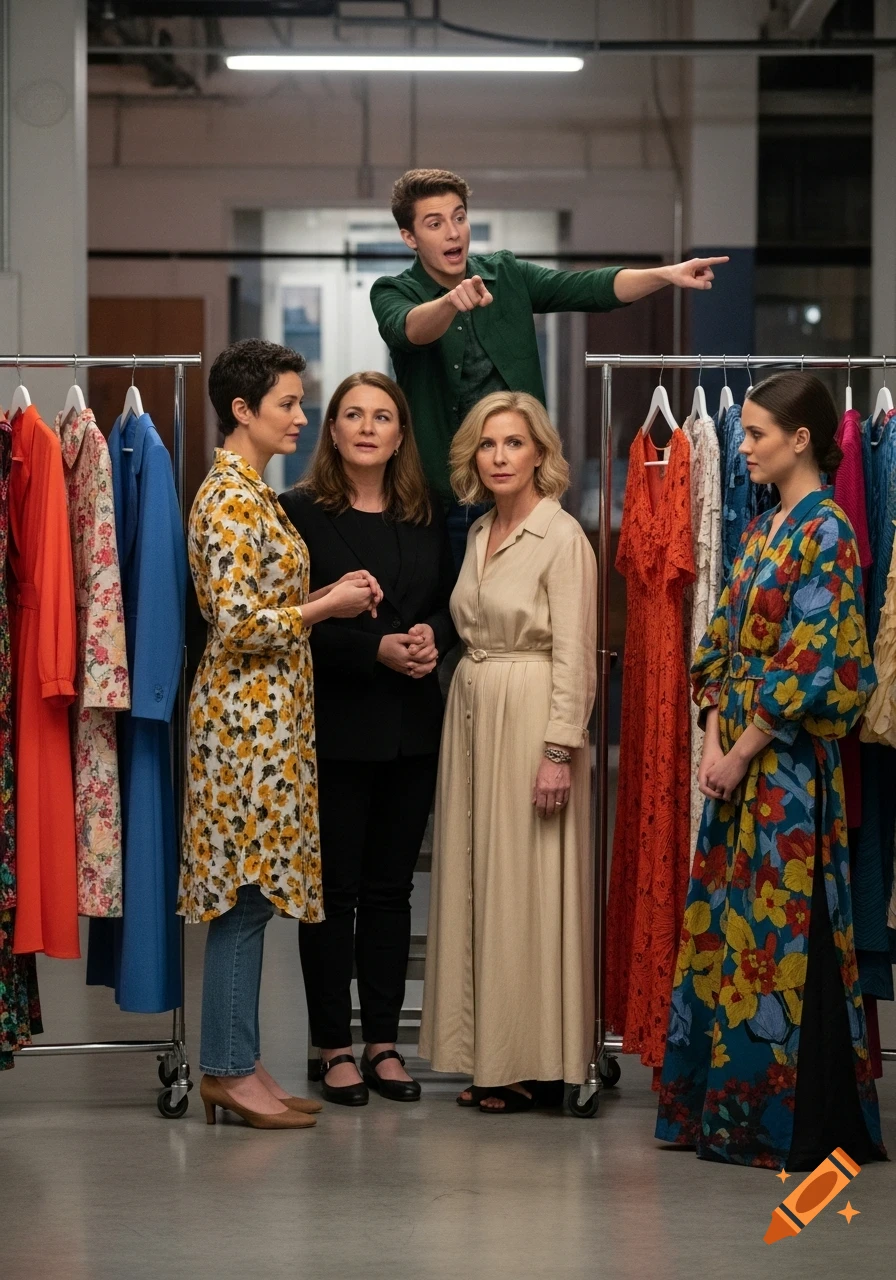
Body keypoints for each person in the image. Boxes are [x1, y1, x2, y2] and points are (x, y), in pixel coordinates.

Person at [655, 371, 887, 1170]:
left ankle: (788, 1118)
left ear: (800, 439)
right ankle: (725, 1110)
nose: (744, 446)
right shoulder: (762, 529)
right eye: (744, 433)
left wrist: (743, 746)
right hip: (739, 760)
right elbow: (717, 643)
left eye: (755, 434)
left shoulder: (829, 530)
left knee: (785, 935)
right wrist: (717, 740)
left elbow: (822, 661)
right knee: (727, 928)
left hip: (786, 770)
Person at [177, 340, 382, 1130]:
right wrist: (322, 609)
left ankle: (244, 1060)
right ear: (242, 411)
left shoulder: (251, 493)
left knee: (255, 896)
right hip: (242, 725)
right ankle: (228, 1070)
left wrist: (323, 593)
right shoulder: (228, 497)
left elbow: (260, 598)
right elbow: (233, 622)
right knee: (246, 897)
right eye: (289, 404)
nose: (303, 417)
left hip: (267, 719)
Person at [370, 166, 727, 563]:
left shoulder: (505, 274)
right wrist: (451, 302)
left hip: (522, 493)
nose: (453, 232)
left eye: (459, 217)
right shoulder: (393, 290)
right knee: (453, 616)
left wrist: (666, 274)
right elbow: (408, 328)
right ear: (410, 237)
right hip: (440, 499)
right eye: (435, 224)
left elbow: (588, 288)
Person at [280, 372, 456, 1106]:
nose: (366, 427)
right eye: (352, 414)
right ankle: (333, 1047)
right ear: (332, 428)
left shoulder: (430, 514)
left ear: (400, 433)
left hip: (413, 726)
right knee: (332, 894)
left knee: (390, 893)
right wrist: (372, 649)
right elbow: (286, 624)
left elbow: (452, 608)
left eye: (382, 416)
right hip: (336, 725)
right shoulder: (297, 511)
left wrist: (429, 639)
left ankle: (384, 1043)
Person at [419, 390, 597, 1113]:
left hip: (530, 720)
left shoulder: (562, 537)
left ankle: (536, 1059)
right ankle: (489, 1054)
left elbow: (576, 655)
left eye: (513, 443)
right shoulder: (479, 531)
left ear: (540, 454)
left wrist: (558, 749)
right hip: (472, 711)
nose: (498, 456)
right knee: (475, 882)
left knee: (528, 889)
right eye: (488, 444)